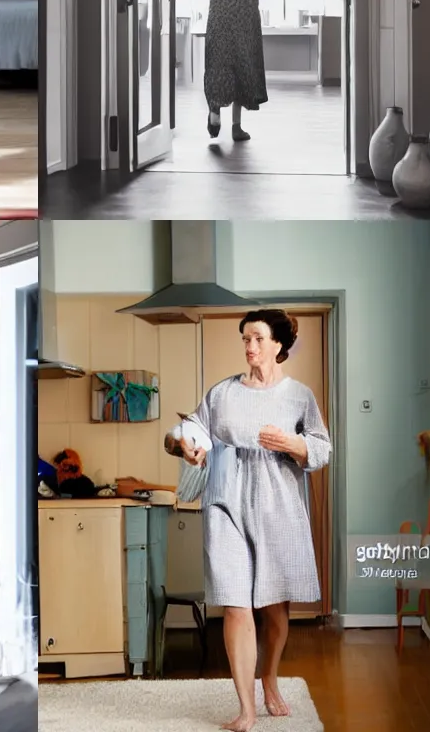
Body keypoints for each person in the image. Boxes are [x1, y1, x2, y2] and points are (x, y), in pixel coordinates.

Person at [164, 310, 331, 732]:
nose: (249, 346)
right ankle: (247, 706)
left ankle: (269, 676)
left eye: (257, 338)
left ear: (278, 345)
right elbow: (183, 432)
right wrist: (183, 446)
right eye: (245, 339)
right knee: (235, 603)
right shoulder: (222, 394)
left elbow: (323, 449)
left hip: (278, 507)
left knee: (276, 610)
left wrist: (294, 444)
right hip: (225, 502)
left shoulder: (299, 396)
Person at [174, 0, 304, 142]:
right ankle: (236, 127)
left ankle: (215, 109)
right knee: (242, 70)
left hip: (219, 22)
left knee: (218, 67)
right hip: (245, 25)